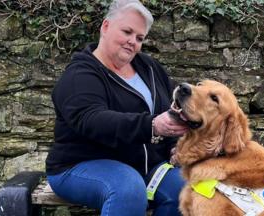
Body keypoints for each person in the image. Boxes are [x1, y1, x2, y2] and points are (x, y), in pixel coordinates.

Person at [45, 0, 189, 215]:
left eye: (139, 38)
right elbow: (92, 120)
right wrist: (151, 126)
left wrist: (176, 147)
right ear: (105, 26)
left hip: (146, 167)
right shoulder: (80, 75)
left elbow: (169, 111)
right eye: (127, 32)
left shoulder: (150, 68)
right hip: (79, 165)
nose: (133, 42)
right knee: (128, 188)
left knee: (187, 188)